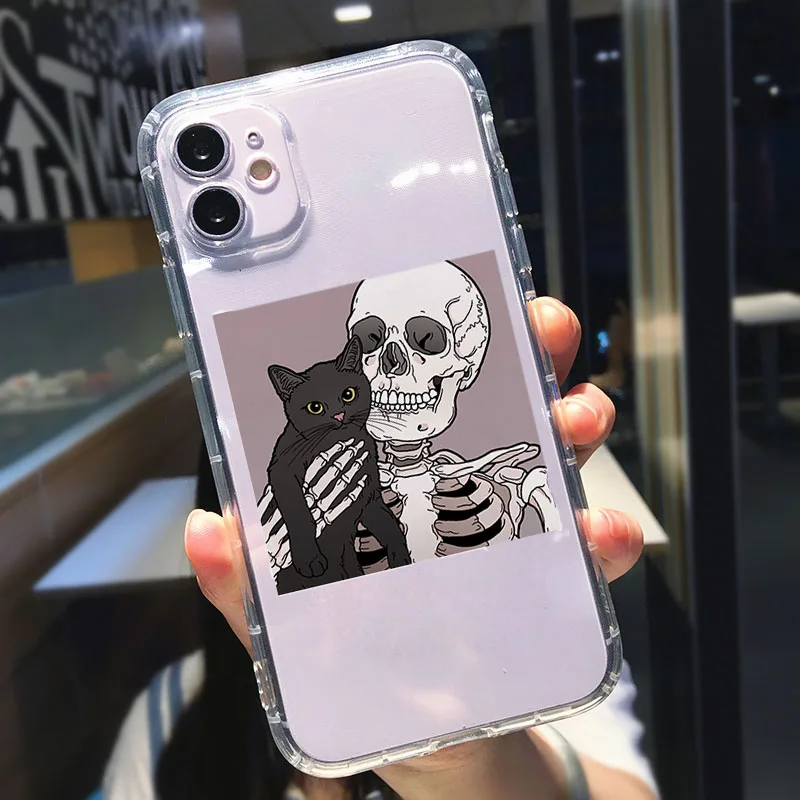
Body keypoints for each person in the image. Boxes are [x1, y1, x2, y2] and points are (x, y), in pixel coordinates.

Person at [100, 297, 659, 800]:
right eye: (373, 343)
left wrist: (461, 764)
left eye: (426, 340)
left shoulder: (548, 649)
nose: (392, 366)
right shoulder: (163, 724)